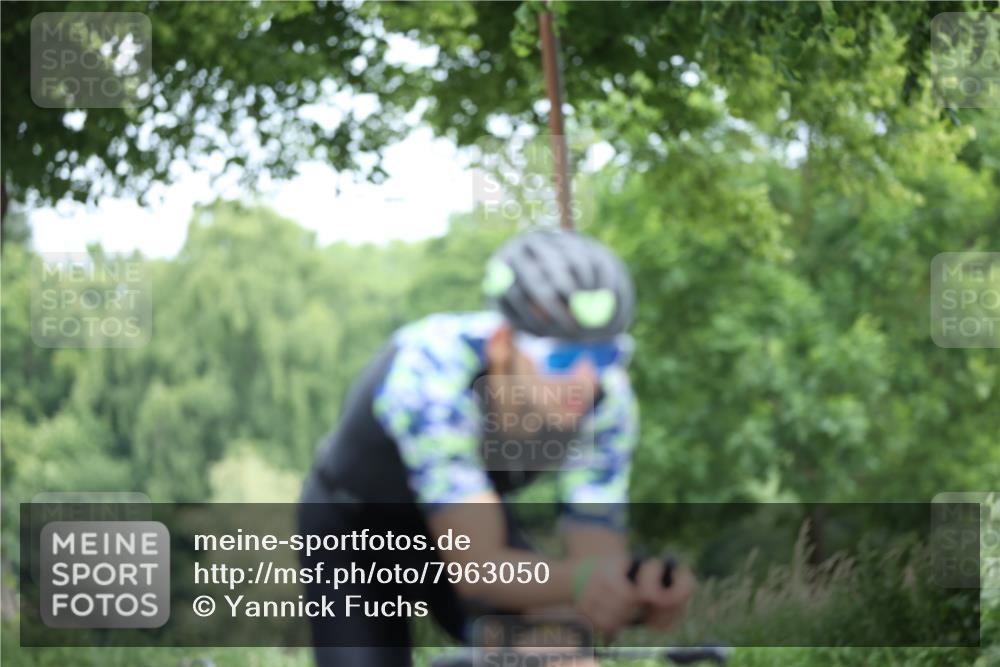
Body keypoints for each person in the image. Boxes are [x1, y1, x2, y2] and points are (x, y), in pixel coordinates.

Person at [298, 228, 696, 666]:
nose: (584, 381)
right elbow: (480, 571)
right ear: (503, 344)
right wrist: (589, 580)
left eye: (604, 354)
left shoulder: (609, 399)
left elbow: (594, 562)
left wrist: (633, 590)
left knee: (566, 650)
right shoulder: (430, 374)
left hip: (472, 516)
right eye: (560, 359)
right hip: (355, 527)